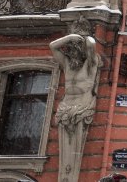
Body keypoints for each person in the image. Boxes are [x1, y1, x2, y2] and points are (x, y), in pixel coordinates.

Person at [50, 32, 102, 182]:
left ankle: (70, 177)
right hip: (66, 107)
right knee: (66, 147)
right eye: (70, 50)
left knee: (75, 145)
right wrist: (69, 38)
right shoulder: (66, 64)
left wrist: (84, 39)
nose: (71, 54)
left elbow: (92, 45)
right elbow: (52, 46)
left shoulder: (90, 63)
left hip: (82, 106)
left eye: (74, 50)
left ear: (81, 51)